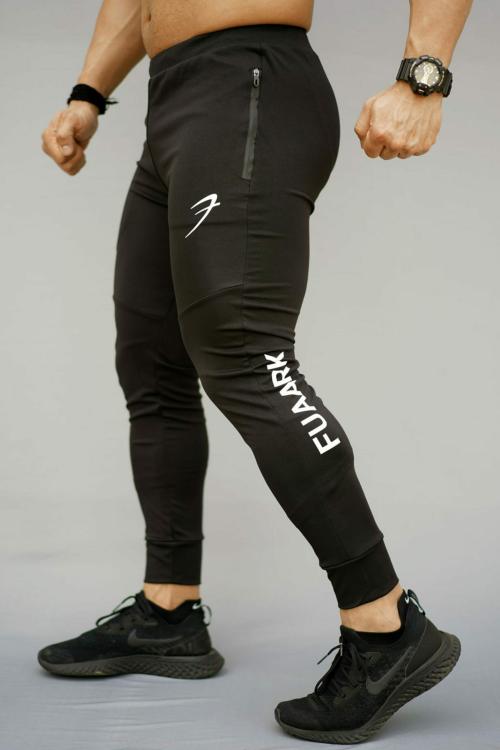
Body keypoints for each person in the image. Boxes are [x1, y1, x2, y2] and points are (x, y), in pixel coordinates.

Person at [38, 0, 472, 743]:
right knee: (152, 361)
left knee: (247, 356)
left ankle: (385, 624)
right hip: (174, 97)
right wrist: (88, 92)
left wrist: (422, 78)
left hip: (247, 80)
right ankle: (169, 611)